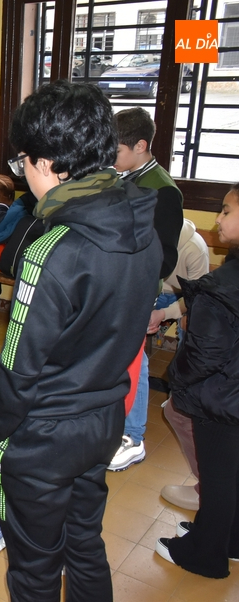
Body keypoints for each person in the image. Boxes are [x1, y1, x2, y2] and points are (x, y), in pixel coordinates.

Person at [0, 81, 161, 601]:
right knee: (83, 545)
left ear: (46, 162)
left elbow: (19, 365)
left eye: (21, 161)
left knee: (33, 569)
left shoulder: (54, 246)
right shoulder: (143, 224)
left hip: (42, 438)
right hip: (102, 419)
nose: (20, 173)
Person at [155, 184, 239, 579]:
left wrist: (177, 379)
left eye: (226, 211)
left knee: (219, 476)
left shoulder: (223, 288)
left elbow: (204, 355)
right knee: (232, 472)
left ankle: (205, 555)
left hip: (222, 398)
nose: (218, 219)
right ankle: (229, 540)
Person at [108, 106, 185, 472]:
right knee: (121, 354)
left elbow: (165, 256)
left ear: (140, 146)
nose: (111, 157)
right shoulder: (121, 177)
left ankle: (133, 436)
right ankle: (116, 421)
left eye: (117, 150)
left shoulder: (163, 191)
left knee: (134, 356)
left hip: (137, 287)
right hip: (115, 281)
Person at [158, 218, 210, 511]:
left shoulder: (193, 248)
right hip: (157, 290)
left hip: (182, 296)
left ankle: (181, 392)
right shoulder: (148, 231)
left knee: (190, 331)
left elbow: (198, 298)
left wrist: (167, 313)